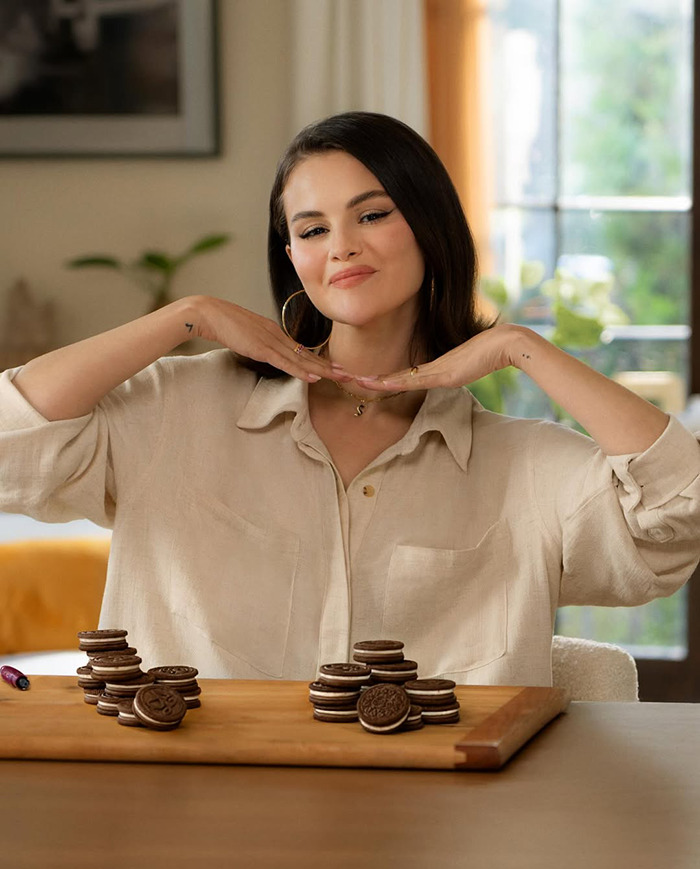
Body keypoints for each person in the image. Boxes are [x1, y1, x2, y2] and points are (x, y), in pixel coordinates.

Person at [1, 111, 699, 685]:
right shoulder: (176, 409)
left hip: (443, 834)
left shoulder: (523, 464)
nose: (340, 246)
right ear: (292, 257)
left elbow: (680, 515)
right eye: (311, 229)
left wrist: (522, 347)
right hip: (197, 822)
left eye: (372, 215)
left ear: (429, 226)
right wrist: (188, 317)